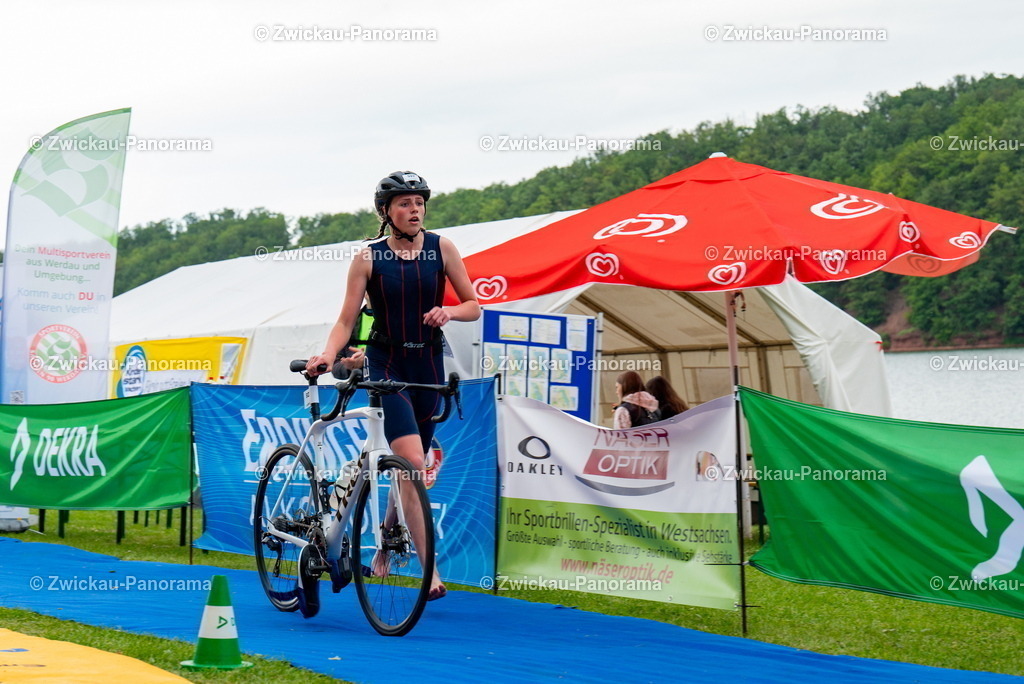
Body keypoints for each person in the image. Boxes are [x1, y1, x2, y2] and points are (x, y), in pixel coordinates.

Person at [307, 171, 480, 601]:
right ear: (386, 212)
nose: (414, 209)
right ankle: (431, 574)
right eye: (404, 203)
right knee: (412, 460)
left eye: (419, 202)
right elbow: (347, 319)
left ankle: (387, 541)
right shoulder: (368, 257)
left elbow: (474, 305)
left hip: (428, 366)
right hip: (385, 365)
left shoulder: (443, 248)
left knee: (411, 473)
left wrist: (449, 313)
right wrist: (328, 356)